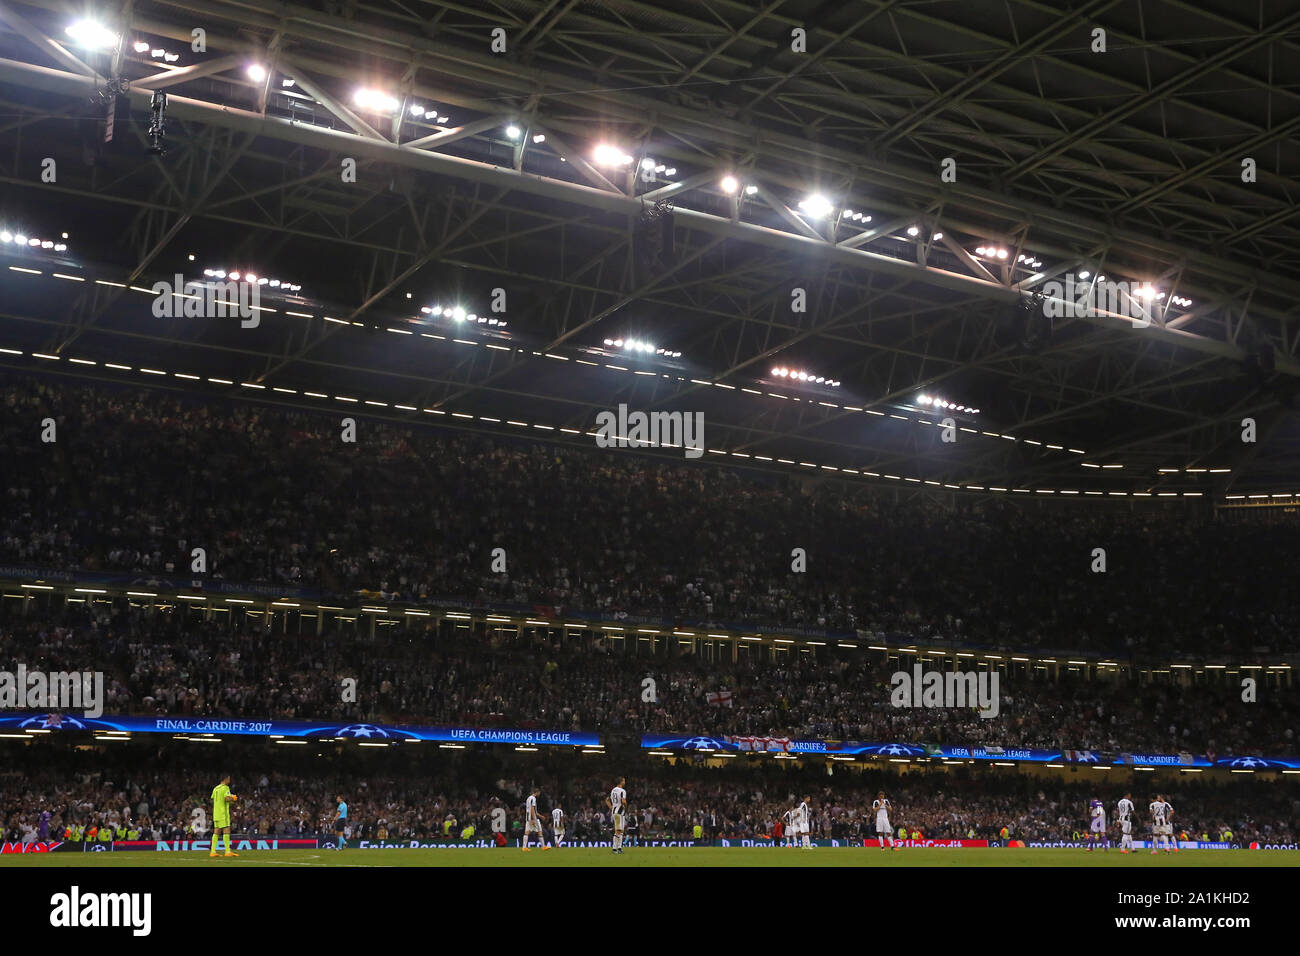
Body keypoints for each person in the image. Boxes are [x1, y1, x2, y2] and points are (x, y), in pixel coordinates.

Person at [210, 775, 238, 859]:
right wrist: (233, 798)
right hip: (223, 813)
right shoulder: (225, 788)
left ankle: (213, 851)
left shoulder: (215, 788)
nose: (229, 780)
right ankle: (227, 851)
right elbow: (226, 799)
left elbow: (212, 800)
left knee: (216, 831)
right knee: (226, 830)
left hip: (216, 813)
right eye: (229, 778)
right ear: (225, 779)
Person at [607, 777, 628, 854]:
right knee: (618, 830)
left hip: (615, 812)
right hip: (619, 812)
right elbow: (623, 801)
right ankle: (614, 848)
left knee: (621, 830)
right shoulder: (622, 791)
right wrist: (626, 805)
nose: (625, 782)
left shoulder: (613, 790)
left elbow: (607, 800)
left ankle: (619, 848)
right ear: (621, 782)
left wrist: (612, 807)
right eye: (624, 781)